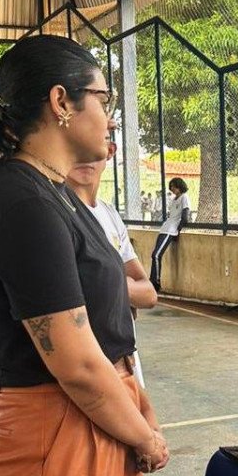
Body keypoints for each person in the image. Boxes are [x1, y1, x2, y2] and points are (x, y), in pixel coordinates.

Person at [0, 35, 168, 476]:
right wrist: (142, 435)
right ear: (60, 102)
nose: (110, 116)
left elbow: (105, 330)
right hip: (59, 427)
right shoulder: (21, 201)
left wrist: (140, 412)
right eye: (104, 99)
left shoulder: (53, 193)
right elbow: (74, 364)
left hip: (100, 415)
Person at [68, 145, 158, 388]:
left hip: (123, 362)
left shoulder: (108, 213)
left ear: (109, 150)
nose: (85, 154)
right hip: (89, 364)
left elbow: (148, 294)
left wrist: (113, 285)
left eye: (100, 138)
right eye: (77, 143)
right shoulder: (55, 212)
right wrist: (119, 287)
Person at [150, 177, 190, 292]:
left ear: (179, 186)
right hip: (165, 228)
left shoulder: (184, 197)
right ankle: (153, 280)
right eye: (171, 187)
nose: (172, 189)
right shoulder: (173, 199)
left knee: (156, 255)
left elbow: (185, 216)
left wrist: (178, 230)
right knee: (155, 255)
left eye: (174, 186)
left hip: (171, 230)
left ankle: (155, 282)